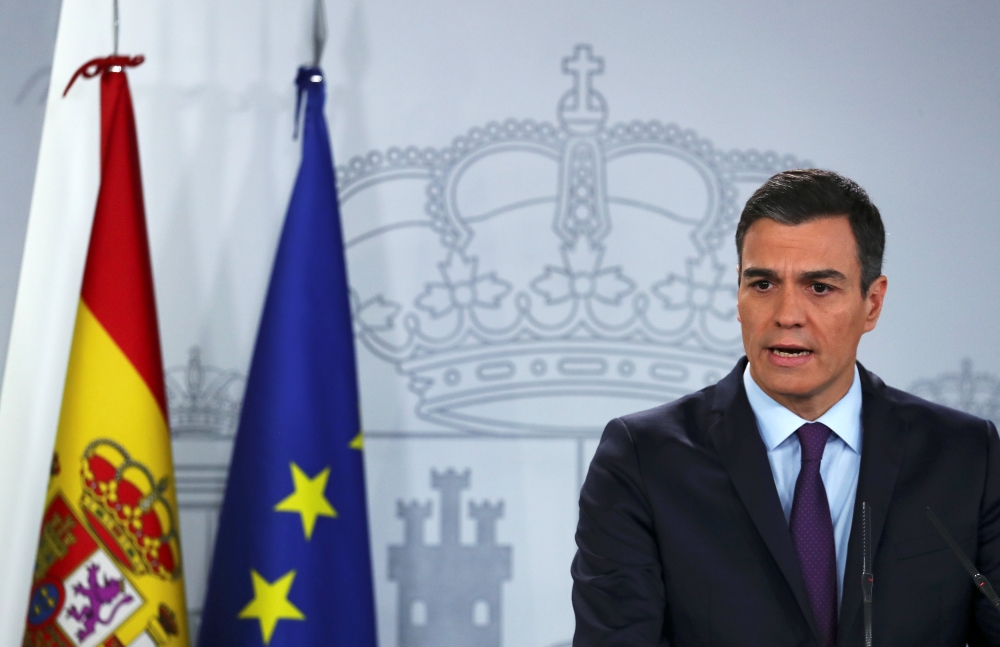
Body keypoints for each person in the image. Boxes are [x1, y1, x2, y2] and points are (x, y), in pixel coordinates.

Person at [571, 169, 1000, 646]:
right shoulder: (642, 458)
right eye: (763, 284)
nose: (787, 315)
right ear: (738, 296)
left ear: (872, 303)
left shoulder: (967, 456)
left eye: (820, 287)